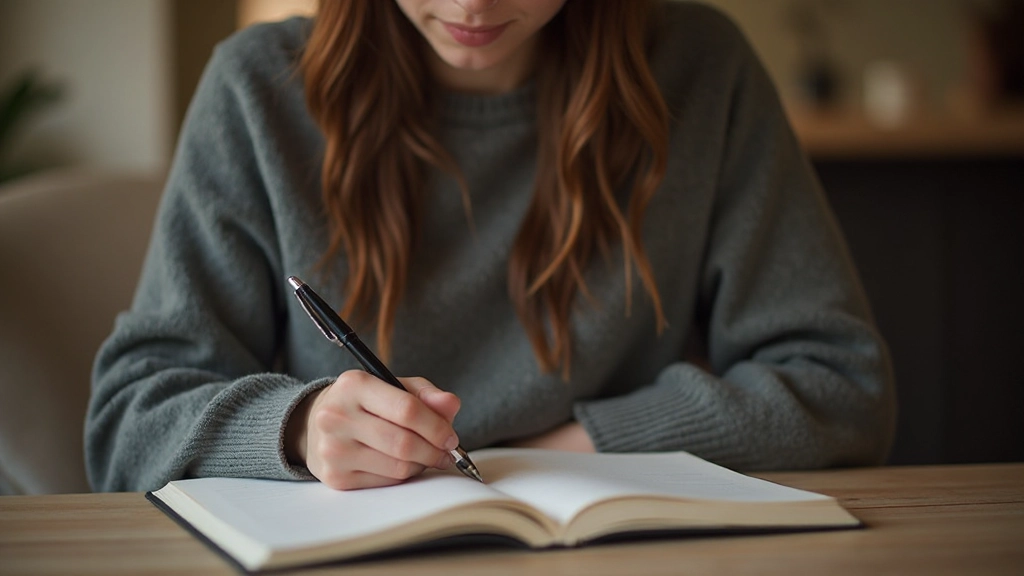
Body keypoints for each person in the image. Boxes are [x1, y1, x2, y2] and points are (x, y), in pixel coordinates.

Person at [86, 0, 896, 492]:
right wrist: (297, 430)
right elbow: (128, 423)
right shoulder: (258, 88)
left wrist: (570, 451)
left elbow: (842, 389)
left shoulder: (700, 70)